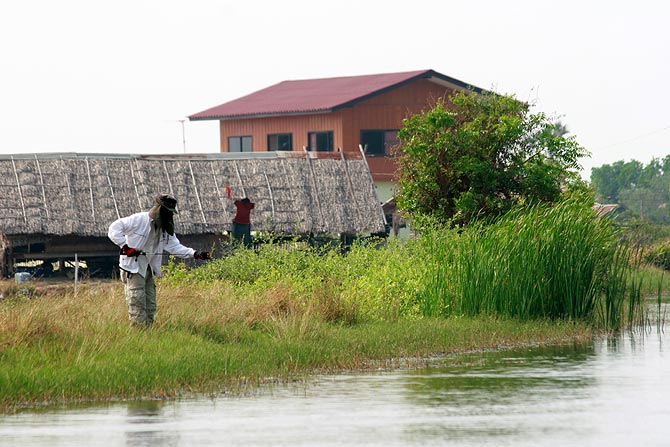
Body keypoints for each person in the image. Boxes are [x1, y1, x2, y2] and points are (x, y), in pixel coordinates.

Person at [108, 194, 210, 327]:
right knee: (137, 300)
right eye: (168, 212)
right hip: (134, 267)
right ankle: (138, 333)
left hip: (149, 268)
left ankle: (148, 332)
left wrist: (195, 254)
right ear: (159, 209)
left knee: (150, 303)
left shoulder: (165, 227)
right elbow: (114, 228)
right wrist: (126, 247)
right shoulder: (139, 220)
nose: (170, 215)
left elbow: (174, 246)